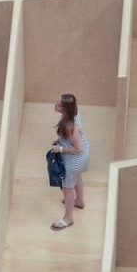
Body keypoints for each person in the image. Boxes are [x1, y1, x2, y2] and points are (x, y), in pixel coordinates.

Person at [50, 93, 90, 230]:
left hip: (75, 159)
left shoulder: (69, 127)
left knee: (67, 188)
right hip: (83, 156)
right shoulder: (74, 114)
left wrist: (60, 148)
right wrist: (61, 141)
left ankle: (68, 218)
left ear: (66, 109)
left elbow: (77, 149)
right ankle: (79, 201)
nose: (56, 104)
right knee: (77, 177)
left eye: (59, 104)